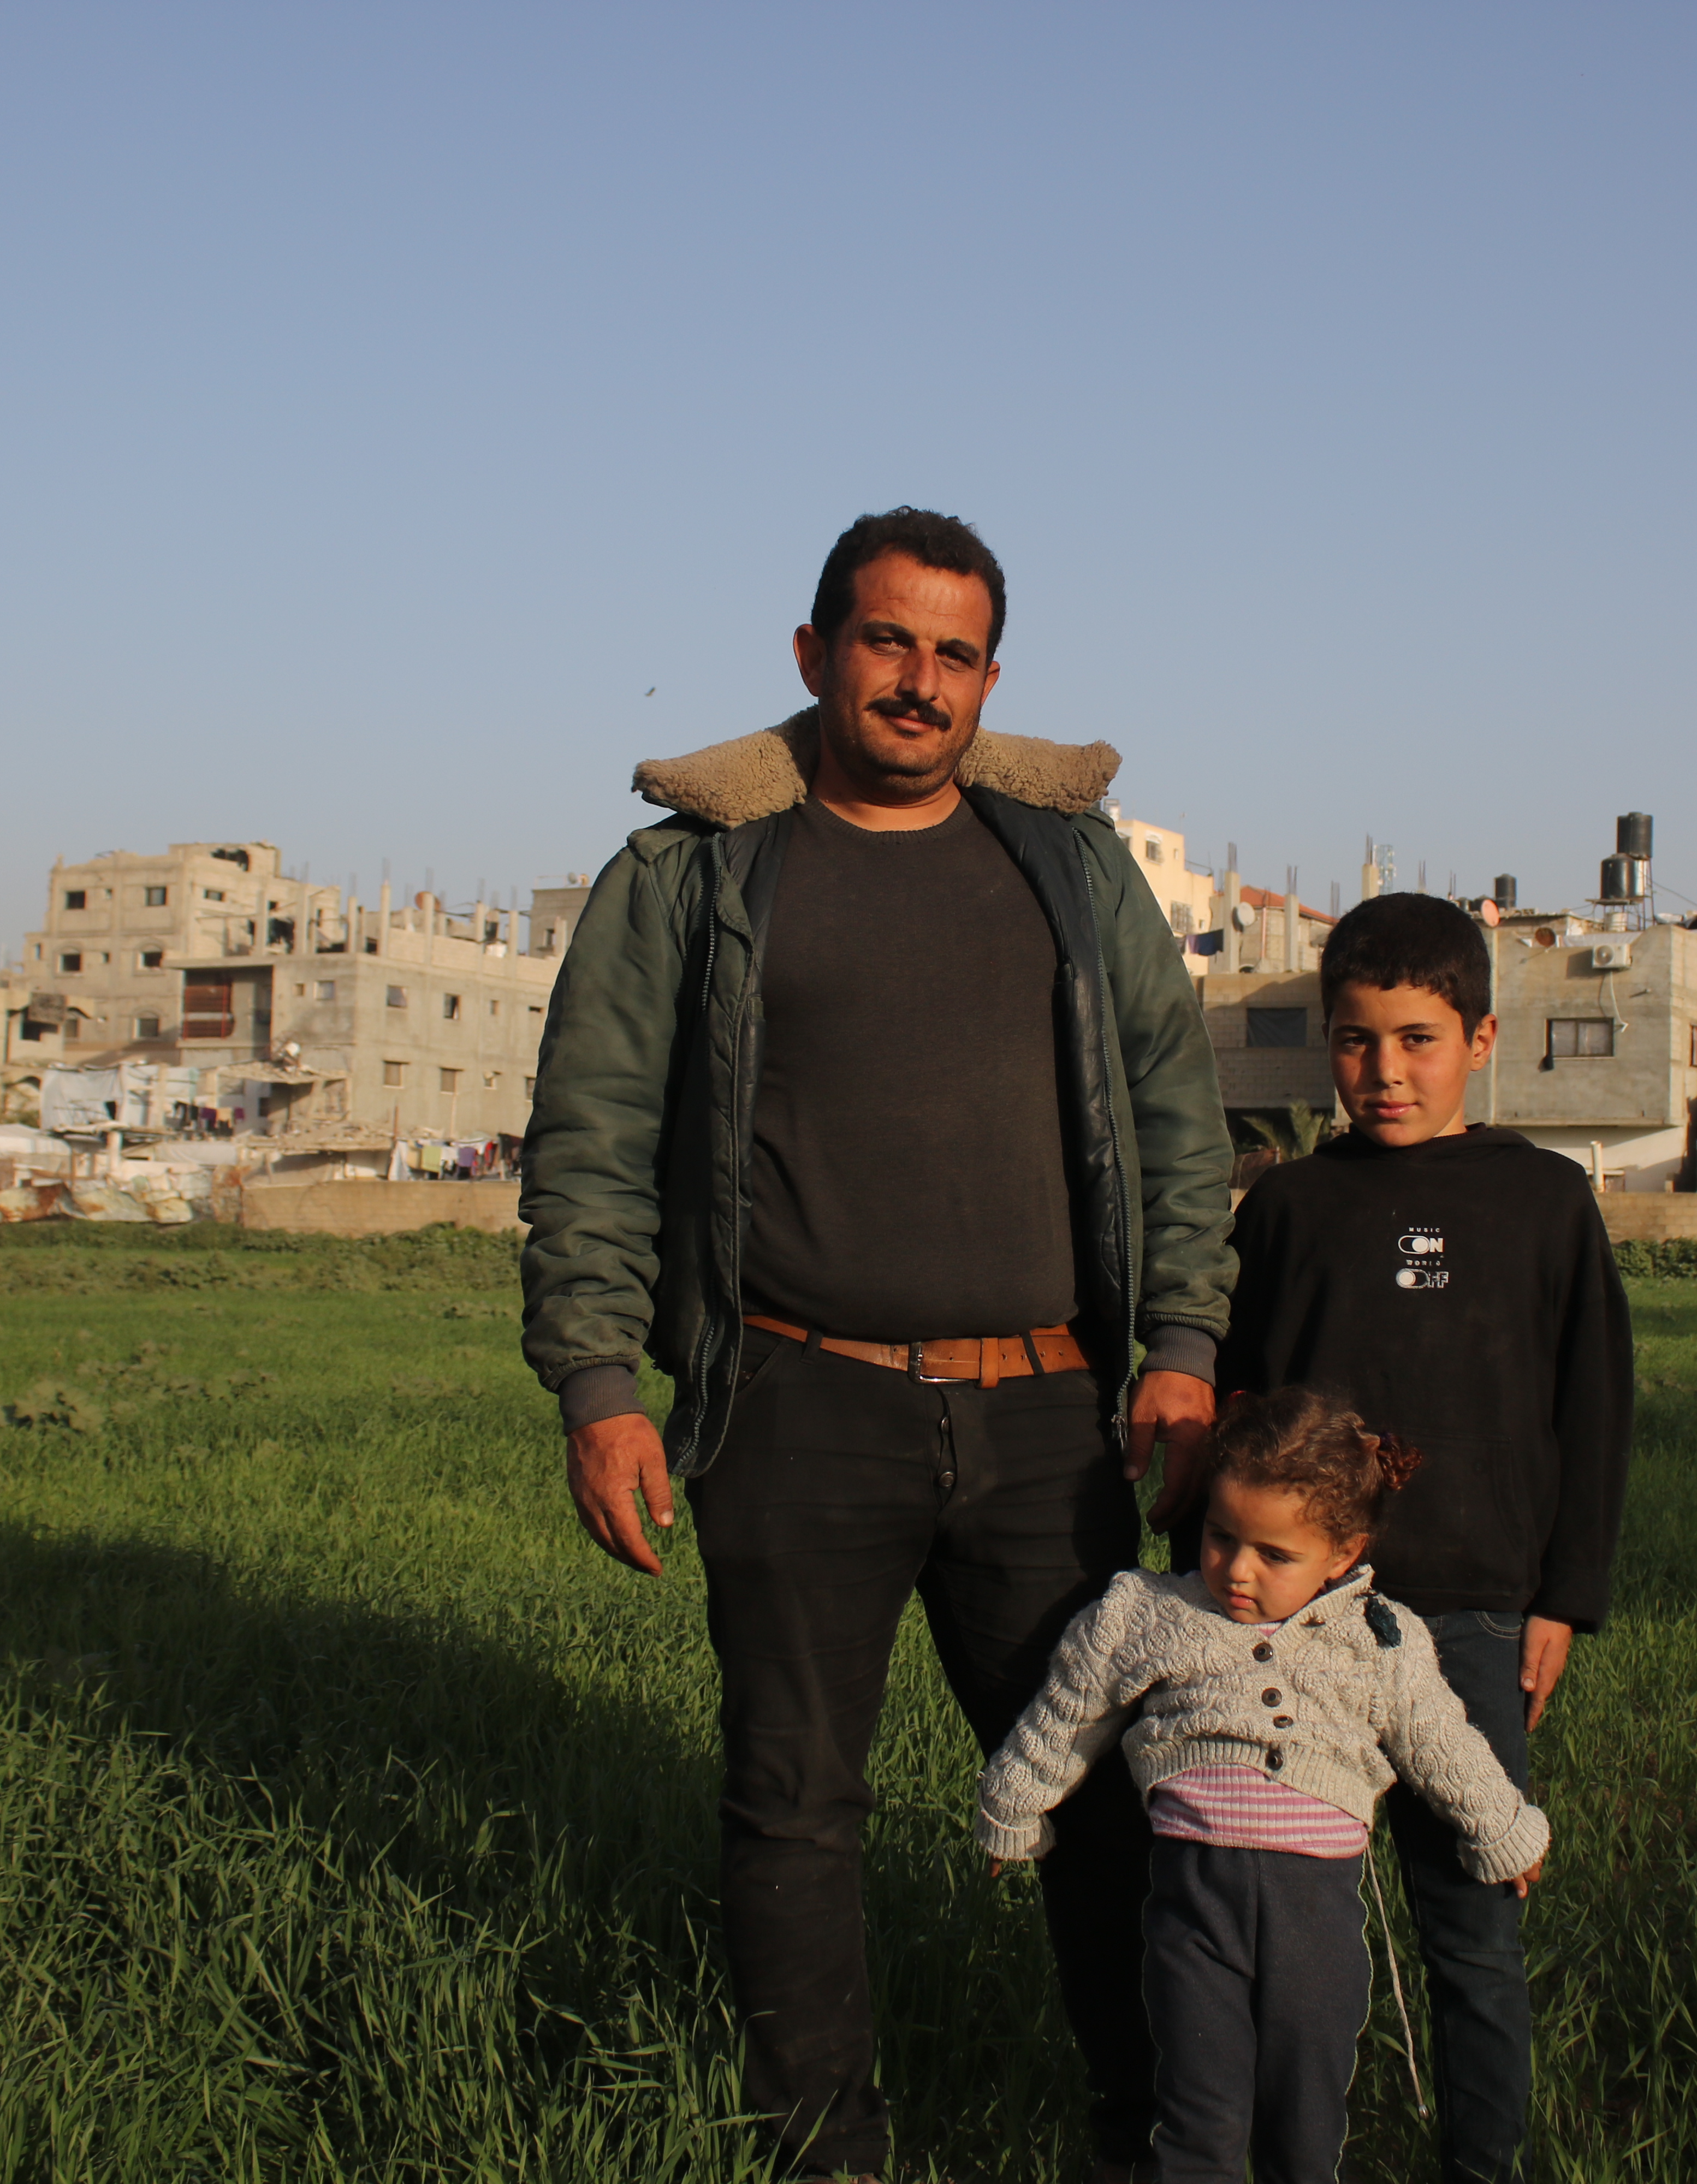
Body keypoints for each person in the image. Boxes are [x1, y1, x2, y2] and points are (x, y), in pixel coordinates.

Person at [518, 507, 1237, 2182]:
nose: (920, 683)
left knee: (1102, 1795)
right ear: (814, 653)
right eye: (887, 641)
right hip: (793, 1404)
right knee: (792, 1806)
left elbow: (1173, 1112)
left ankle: (1153, 2133)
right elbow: (595, 1132)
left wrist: (1186, 1343)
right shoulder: (691, 874)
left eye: (956, 652)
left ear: (994, 675)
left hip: (1047, 1414)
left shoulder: (1070, 866)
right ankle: (826, 2152)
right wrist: (600, 1385)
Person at [1184, 892, 1633, 2184]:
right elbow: (1238, 1405)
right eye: (1356, 1039)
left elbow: (1593, 1408)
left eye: (1418, 1038)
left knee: (1472, 1921)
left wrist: (1564, 1598)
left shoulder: (1544, 1202)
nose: (1385, 1071)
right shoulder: (1285, 1209)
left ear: (1481, 1036)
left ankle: (1485, 2161)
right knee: (1282, 1918)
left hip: (1478, 1616)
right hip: (1302, 1623)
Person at [977, 1387, 1550, 2184]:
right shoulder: (1150, 1615)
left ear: (1343, 1554)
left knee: (1305, 2115)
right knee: (1196, 2111)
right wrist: (1014, 1803)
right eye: (1220, 1537)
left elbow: (1439, 1741)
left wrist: (1501, 1828)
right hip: (1194, 1911)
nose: (1237, 1571)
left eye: (1274, 1556)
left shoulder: (1377, 1637)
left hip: (1315, 1921)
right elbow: (1069, 1710)